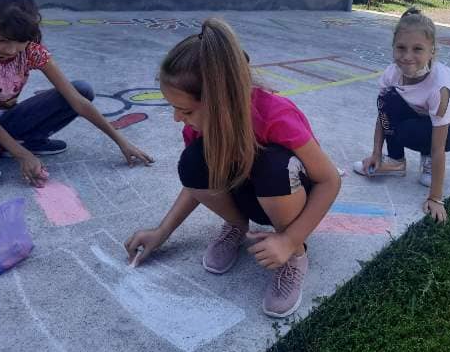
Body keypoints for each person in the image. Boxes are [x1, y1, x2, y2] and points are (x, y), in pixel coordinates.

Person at [125, 18, 341, 318]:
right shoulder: (199, 128)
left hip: (289, 199)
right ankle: (237, 225)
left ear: (221, 102)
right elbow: (195, 184)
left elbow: (330, 181)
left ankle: (295, 257)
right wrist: (162, 232)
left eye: (185, 110)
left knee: (271, 165)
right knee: (193, 162)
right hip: (248, 194)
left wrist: (290, 240)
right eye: (174, 108)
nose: (177, 118)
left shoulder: (275, 116)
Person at [0, 0, 153, 186]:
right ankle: (4, 147)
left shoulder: (31, 52)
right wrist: (22, 155)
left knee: (81, 90)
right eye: (1, 40)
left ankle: (22, 142)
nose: (11, 50)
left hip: (1, 124)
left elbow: (76, 100)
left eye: (20, 41)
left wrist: (122, 142)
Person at [353, 8, 450, 223]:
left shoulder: (442, 86)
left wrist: (435, 197)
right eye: (401, 48)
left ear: (432, 51)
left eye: (417, 49)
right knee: (387, 100)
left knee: (408, 130)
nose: (407, 56)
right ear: (393, 47)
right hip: (418, 118)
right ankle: (395, 162)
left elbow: (439, 146)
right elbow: (383, 115)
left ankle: (428, 161)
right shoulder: (392, 73)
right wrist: (376, 153)